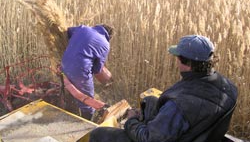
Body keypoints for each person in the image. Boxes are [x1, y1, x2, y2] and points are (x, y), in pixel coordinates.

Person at [89, 35, 238, 142]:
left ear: (185, 62)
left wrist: (132, 121)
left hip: (166, 136)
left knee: (99, 134)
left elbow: (149, 138)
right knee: (149, 100)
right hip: (200, 134)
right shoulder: (230, 88)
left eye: (177, 57)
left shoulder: (179, 105)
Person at [61, 24, 114, 120]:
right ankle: (87, 123)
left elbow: (68, 31)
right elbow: (98, 69)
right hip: (80, 69)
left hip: (64, 63)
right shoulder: (105, 44)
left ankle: (71, 112)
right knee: (87, 101)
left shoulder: (83, 28)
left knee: (71, 90)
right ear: (108, 36)